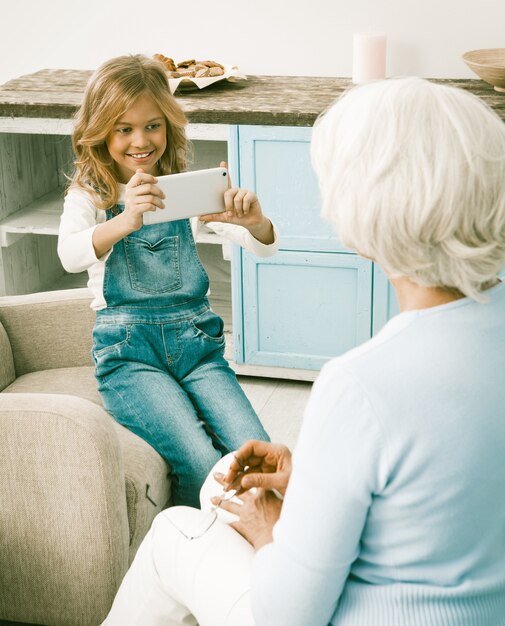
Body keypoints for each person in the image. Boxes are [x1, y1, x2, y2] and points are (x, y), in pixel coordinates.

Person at [100, 76, 505, 626]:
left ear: (364, 208)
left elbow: (288, 615)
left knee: (175, 531)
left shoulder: (361, 385)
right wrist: (319, 481)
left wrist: (272, 532)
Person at [57, 54, 278, 508]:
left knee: (259, 456)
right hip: (129, 356)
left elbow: (260, 244)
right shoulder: (91, 194)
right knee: (199, 460)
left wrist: (255, 221)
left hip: (196, 347)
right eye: (124, 128)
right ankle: (190, 546)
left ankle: (261, 540)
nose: (141, 141)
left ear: (168, 126)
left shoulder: (181, 186)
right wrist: (126, 219)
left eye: (153, 126)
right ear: (101, 130)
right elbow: (68, 255)